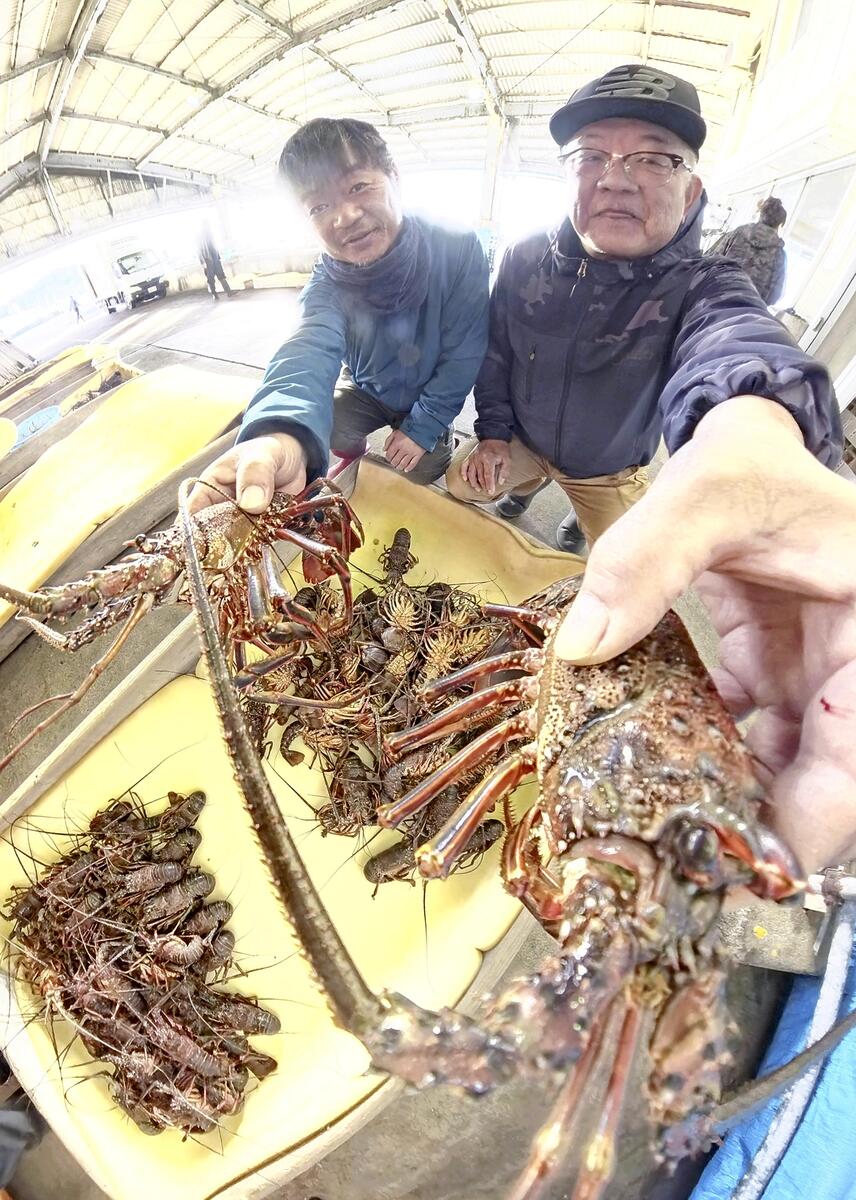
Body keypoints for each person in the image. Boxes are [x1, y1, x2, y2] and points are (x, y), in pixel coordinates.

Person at [444, 65, 839, 555]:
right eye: (590, 155)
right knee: (460, 482)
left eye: (652, 159)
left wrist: (760, 429)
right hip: (523, 441)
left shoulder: (703, 283)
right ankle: (525, 490)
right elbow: (497, 352)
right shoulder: (524, 258)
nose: (615, 180)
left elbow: (735, 340)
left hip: (606, 471)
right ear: (566, 174)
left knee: (629, 557)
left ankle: (573, 516)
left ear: (690, 191)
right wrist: (493, 435)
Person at [189, 118, 489, 508]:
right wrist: (279, 433)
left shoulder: (456, 246)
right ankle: (354, 449)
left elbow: (464, 353)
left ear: (394, 177)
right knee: (322, 427)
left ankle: (437, 432)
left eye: (358, 187)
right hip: (367, 389)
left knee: (422, 469)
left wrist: (423, 427)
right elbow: (306, 352)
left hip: (426, 392)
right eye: (319, 206)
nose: (344, 216)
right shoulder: (326, 284)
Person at [709, 196, 787, 306]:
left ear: (761, 215)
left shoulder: (736, 234)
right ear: (780, 224)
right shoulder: (779, 255)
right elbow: (774, 295)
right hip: (743, 311)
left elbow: (709, 260)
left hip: (712, 297)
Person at [199, 229, 233, 300]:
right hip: (208, 261)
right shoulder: (200, 239)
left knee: (221, 276)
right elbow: (199, 252)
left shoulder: (211, 237)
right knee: (211, 279)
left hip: (216, 260)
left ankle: (229, 292)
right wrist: (203, 263)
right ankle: (214, 294)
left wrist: (218, 258)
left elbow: (215, 248)